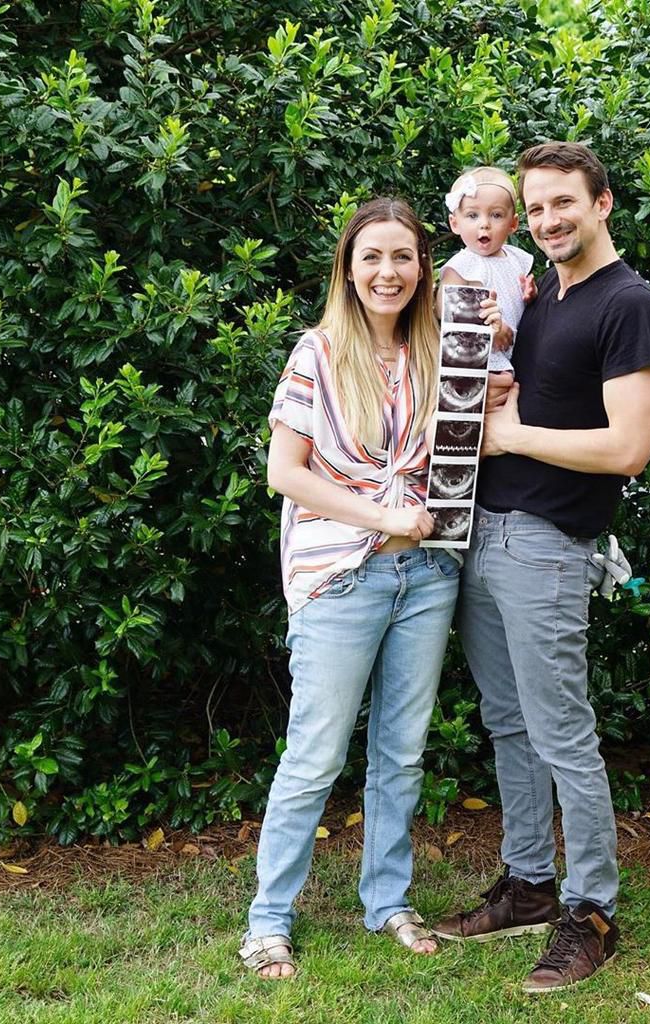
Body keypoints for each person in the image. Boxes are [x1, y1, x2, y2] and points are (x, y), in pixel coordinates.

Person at [240, 198, 500, 978]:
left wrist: (498, 339)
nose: (389, 272)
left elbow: (480, 431)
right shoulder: (317, 353)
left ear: (424, 267)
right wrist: (382, 515)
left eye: (403, 257)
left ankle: (387, 901)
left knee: (401, 753)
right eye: (372, 257)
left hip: (427, 575)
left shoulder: (444, 352)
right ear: (348, 270)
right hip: (341, 577)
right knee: (315, 755)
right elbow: (285, 473)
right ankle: (269, 921)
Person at [432, 143, 650, 994]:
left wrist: (512, 434)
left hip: (549, 543)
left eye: (563, 202)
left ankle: (592, 911)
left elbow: (629, 448)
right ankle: (530, 883)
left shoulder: (628, 304)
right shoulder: (540, 297)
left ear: (602, 203)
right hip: (484, 531)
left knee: (561, 731)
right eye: (534, 208)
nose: (546, 219)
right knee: (509, 722)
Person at [440, 166, 534, 378]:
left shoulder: (516, 258)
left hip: (518, 351)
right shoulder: (462, 266)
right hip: (482, 358)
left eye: (496, 215)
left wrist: (530, 294)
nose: (484, 224)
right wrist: (488, 330)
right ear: (455, 223)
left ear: (513, 223)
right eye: (472, 215)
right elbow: (446, 312)